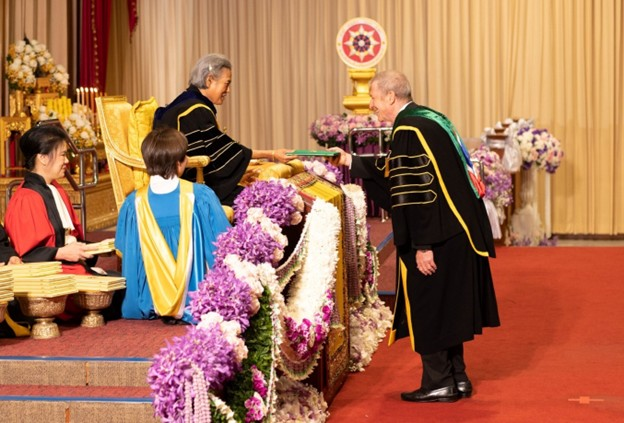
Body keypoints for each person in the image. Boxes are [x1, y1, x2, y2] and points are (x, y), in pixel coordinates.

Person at [330, 71, 500, 403]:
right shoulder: (430, 119)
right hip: (458, 231)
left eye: (374, 99)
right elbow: (400, 171)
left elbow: (418, 193)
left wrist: (423, 246)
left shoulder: (408, 129)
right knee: (447, 307)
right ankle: (457, 378)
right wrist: (351, 160)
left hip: (436, 236)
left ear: (390, 97)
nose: (372, 106)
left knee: (430, 307)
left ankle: (438, 382)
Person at [115, 127, 231, 324]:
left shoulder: (133, 203)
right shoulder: (200, 196)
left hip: (150, 297)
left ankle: (159, 302)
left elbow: (124, 249)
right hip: (194, 296)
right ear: (178, 163)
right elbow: (223, 240)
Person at [153, 53, 294, 205]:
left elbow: (221, 150)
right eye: (227, 83)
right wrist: (272, 154)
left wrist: (269, 155)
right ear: (209, 80)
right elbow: (223, 154)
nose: (228, 90)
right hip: (190, 189)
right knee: (262, 198)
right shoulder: (195, 110)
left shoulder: (187, 102)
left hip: (176, 181)